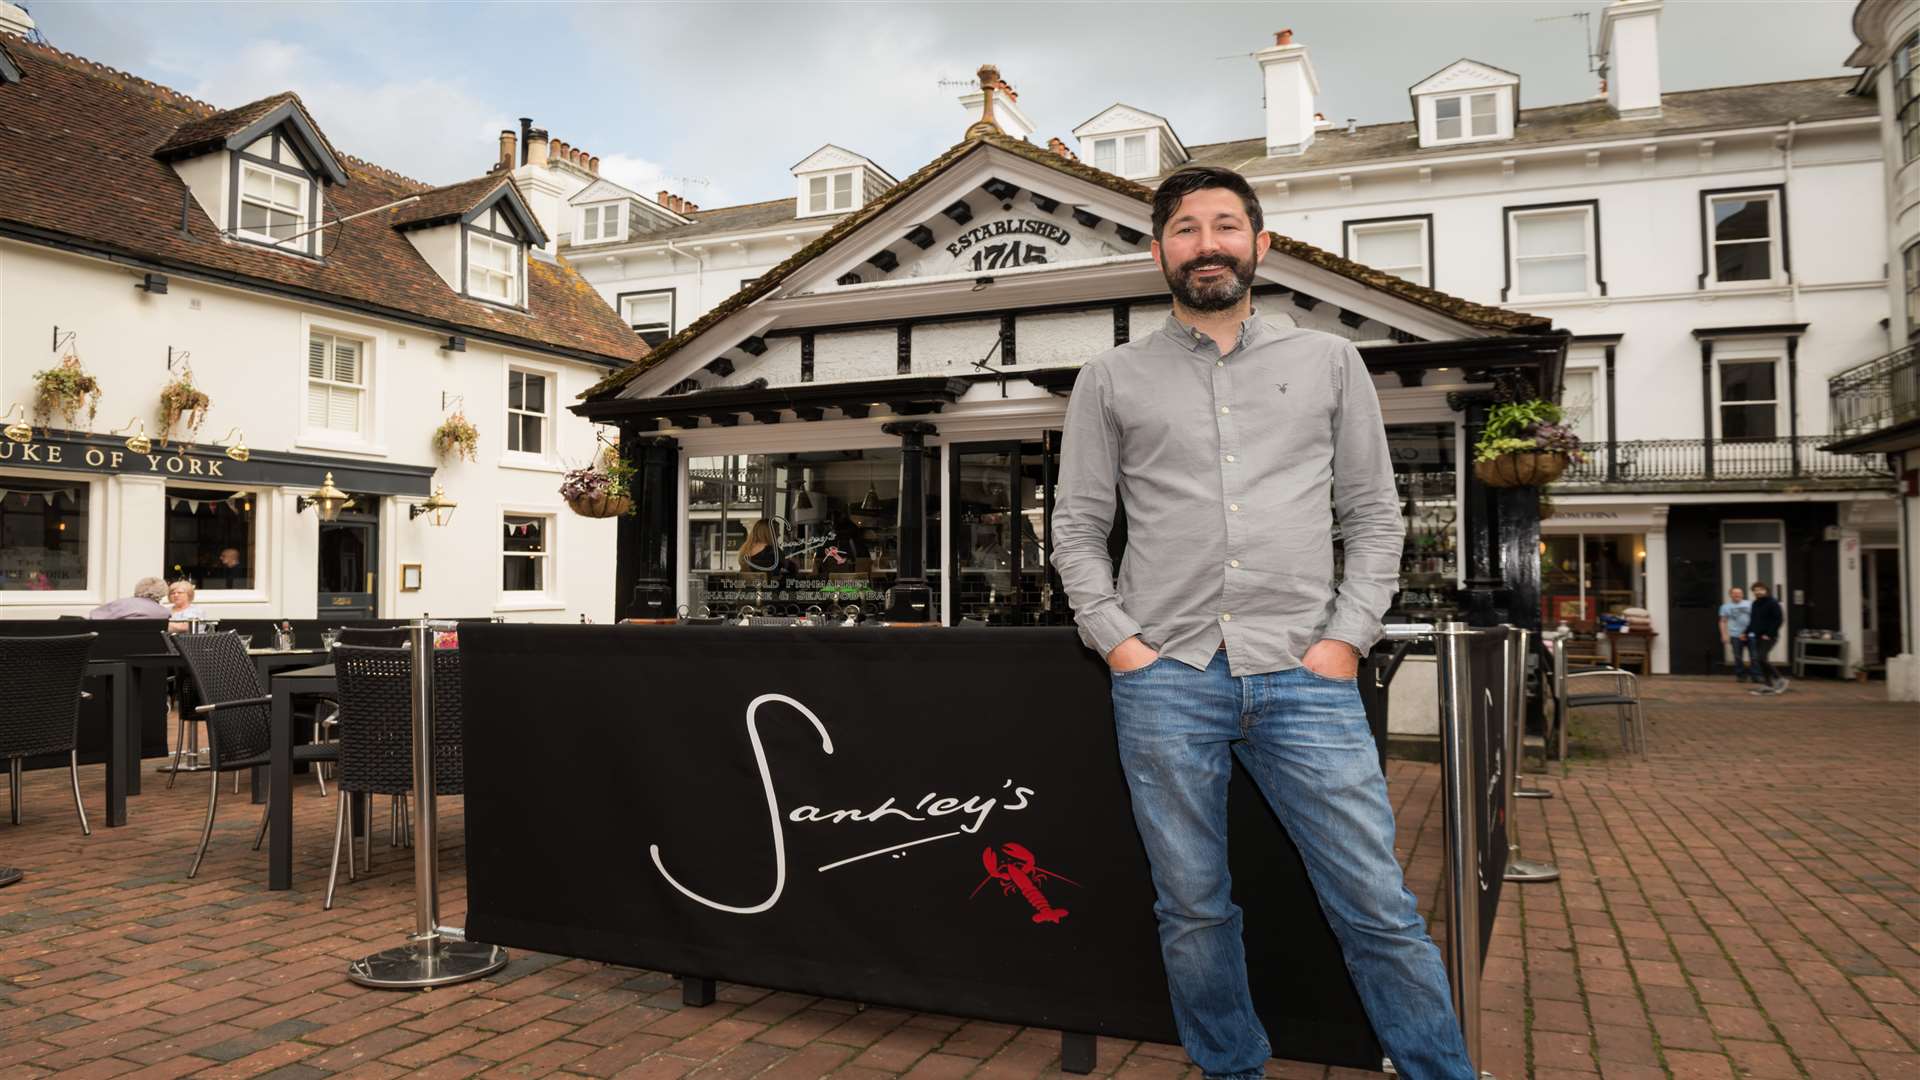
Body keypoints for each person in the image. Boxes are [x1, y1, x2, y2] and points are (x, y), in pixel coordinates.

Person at [1052, 165, 1472, 1080]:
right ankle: (1230, 1067)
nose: (1208, 243)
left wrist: (1345, 639)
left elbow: (1373, 514)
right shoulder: (1110, 377)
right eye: (1187, 229)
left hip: (1304, 675)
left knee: (1376, 904)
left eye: (1227, 226)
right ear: (1159, 250)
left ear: (1260, 244)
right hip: (1167, 677)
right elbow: (1077, 528)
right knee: (1194, 907)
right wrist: (1119, 643)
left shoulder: (1329, 362)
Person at [1746, 582, 1788, 695]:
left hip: (1770, 636)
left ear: (1766, 590)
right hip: (1758, 636)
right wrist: (1746, 632)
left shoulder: (1772, 603)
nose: (1758, 591)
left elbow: (1779, 620)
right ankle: (1768, 685)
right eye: (1755, 590)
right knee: (1761, 660)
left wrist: (1769, 634)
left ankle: (1781, 680)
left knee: (1761, 658)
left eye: (1761, 589)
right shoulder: (1755, 603)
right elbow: (1753, 620)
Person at [87, 576, 171, 619]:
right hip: (149, 649)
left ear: (139, 588)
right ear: (163, 593)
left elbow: (94, 617)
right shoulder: (164, 613)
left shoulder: (122, 604)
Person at [1718, 586, 1753, 683]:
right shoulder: (1725, 607)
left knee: (1754, 656)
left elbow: (1757, 618)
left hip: (1751, 634)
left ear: (1742, 594)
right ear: (1730, 595)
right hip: (1735, 635)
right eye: (1734, 593)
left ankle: (1756, 675)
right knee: (1738, 656)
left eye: (1739, 593)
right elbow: (1722, 621)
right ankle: (1741, 675)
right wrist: (1724, 635)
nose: (1737, 594)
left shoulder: (1750, 604)